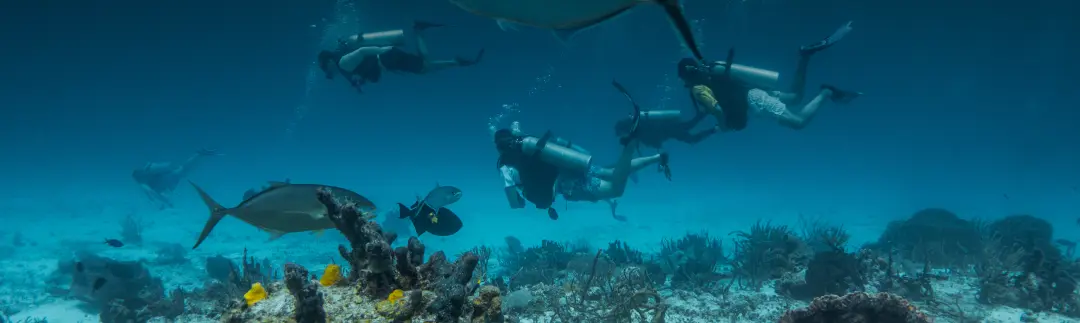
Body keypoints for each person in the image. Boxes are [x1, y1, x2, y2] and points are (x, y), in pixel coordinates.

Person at [680, 21, 862, 132]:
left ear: (686, 77)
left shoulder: (699, 88)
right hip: (754, 92)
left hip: (755, 99)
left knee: (798, 123)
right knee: (796, 97)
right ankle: (804, 57)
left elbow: (718, 110)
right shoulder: (710, 74)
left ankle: (826, 92)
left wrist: (724, 126)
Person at [317, 21, 485, 93]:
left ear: (329, 61)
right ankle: (456, 62)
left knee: (424, 65)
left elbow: (361, 52)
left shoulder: (343, 63)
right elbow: (365, 66)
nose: (329, 73)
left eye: (326, 69)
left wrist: (381, 51)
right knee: (423, 67)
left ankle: (419, 30)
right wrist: (361, 81)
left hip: (386, 58)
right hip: (388, 59)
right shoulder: (345, 66)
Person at [132, 148, 220, 209]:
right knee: (183, 169)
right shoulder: (146, 176)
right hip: (168, 176)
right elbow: (152, 193)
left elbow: (152, 193)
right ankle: (199, 154)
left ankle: (200, 153)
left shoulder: (142, 183)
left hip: (167, 180)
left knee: (183, 170)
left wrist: (167, 202)